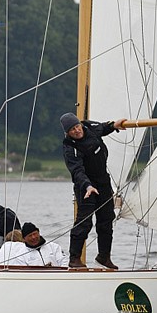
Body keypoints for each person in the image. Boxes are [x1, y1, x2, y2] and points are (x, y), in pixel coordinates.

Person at [60, 112, 126, 269]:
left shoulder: (88, 126)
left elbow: (102, 128)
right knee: (84, 222)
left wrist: (114, 125)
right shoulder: (70, 147)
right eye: (72, 130)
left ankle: (104, 257)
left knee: (106, 220)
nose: (77, 131)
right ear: (67, 133)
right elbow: (77, 171)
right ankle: (74, 258)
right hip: (86, 186)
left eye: (77, 126)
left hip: (103, 182)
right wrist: (88, 186)